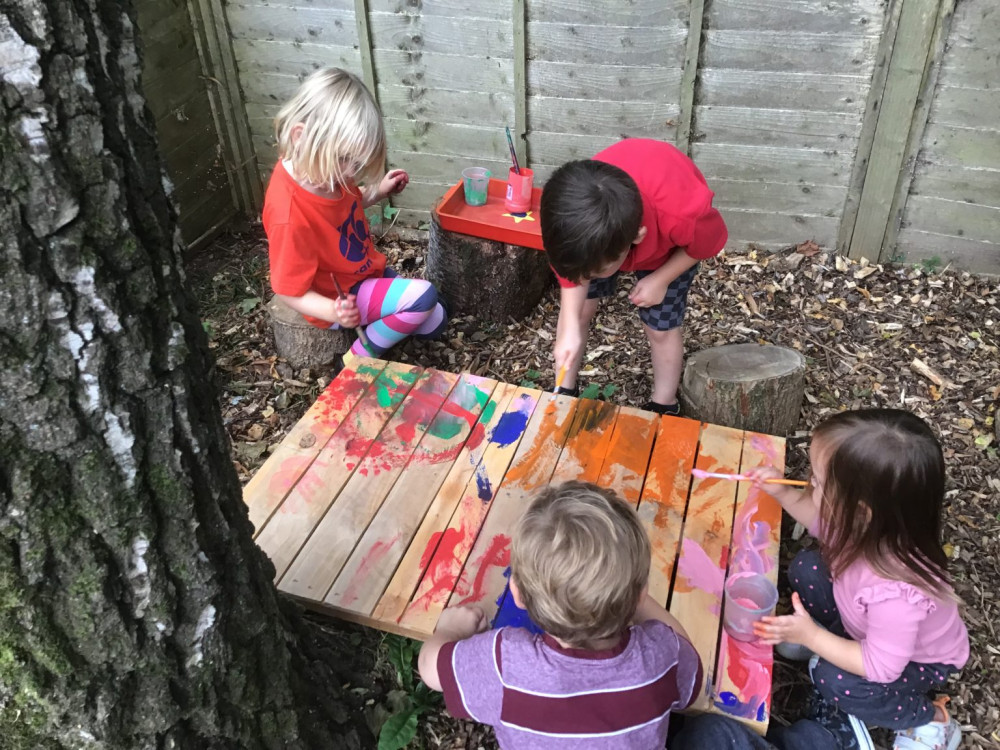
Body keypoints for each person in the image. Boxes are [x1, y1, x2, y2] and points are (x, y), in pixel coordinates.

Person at [417, 481, 703, 748]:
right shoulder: (659, 656)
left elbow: (430, 669)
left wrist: (450, 630)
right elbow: (692, 680)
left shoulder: (508, 667)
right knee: (716, 730)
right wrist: (630, 598)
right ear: (640, 594)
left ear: (517, 593)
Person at [748, 409, 969, 750]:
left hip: (915, 662)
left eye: (818, 481)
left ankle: (930, 719)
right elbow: (820, 522)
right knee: (807, 567)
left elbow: (880, 668)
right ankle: (832, 642)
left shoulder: (896, 593)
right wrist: (782, 493)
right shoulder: (871, 528)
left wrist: (813, 637)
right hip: (868, 625)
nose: (808, 483)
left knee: (832, 679)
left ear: (861, 511)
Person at [262, 67, 446, 360]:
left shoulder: (323, 170)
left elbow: (345, 205)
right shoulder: (289, 214)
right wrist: (332, 310)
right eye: (345, 159)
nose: (350, 173)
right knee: (424, 298)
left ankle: (382, 324)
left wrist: (378, 191)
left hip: (363, 271)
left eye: (357, 164)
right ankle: (357, 359)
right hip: (338, 296)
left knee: (437, 320)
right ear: (301, 137)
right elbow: (288, 290)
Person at [539, 139, 727, 415]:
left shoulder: (683, 215)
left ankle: (664, 404)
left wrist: (661, 279)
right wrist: (568, 328)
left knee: (660, 329)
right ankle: (563, 391)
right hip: (602, 239)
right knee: (578, 312)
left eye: (592, 273)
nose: (583, 279)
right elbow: (572, 270)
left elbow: (708, 244)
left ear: (636, 238)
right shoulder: (568, 219)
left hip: (669, 247)